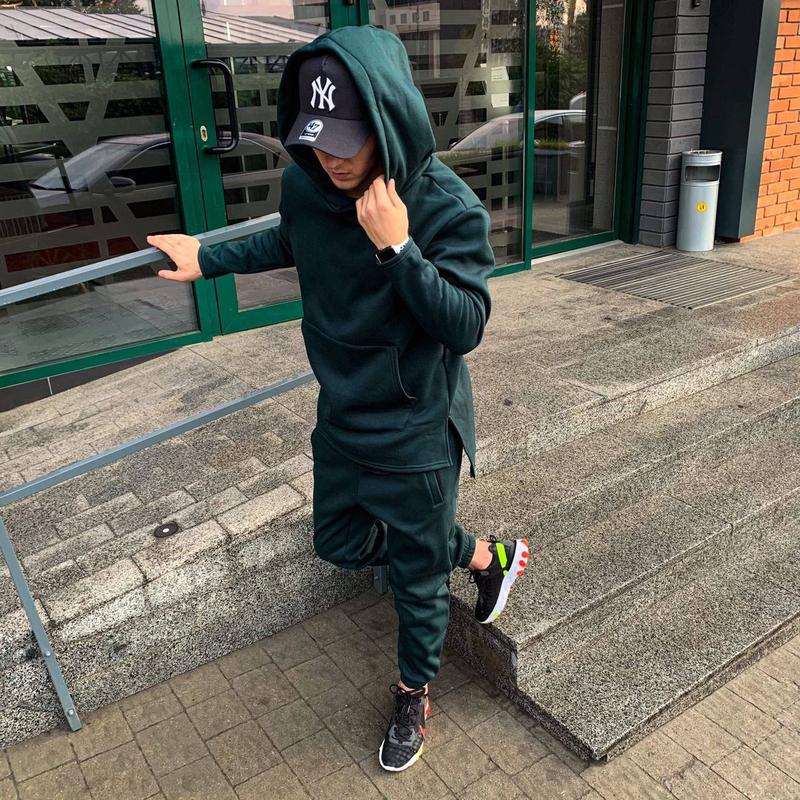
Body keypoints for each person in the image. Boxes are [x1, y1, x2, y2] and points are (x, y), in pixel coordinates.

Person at [148, 24, 528, 773]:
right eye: (317, 141)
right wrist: (208, 256)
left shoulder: (447, 208)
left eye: (347, 143)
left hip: (416, 427)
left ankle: (414, 692)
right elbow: (290, 240)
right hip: (344, 413)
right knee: (337, 542)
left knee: (416, 584)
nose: (331, 159)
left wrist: (398, 249)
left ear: (389, 121)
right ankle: (483, 555)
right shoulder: (309, 184)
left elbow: (467, 324)